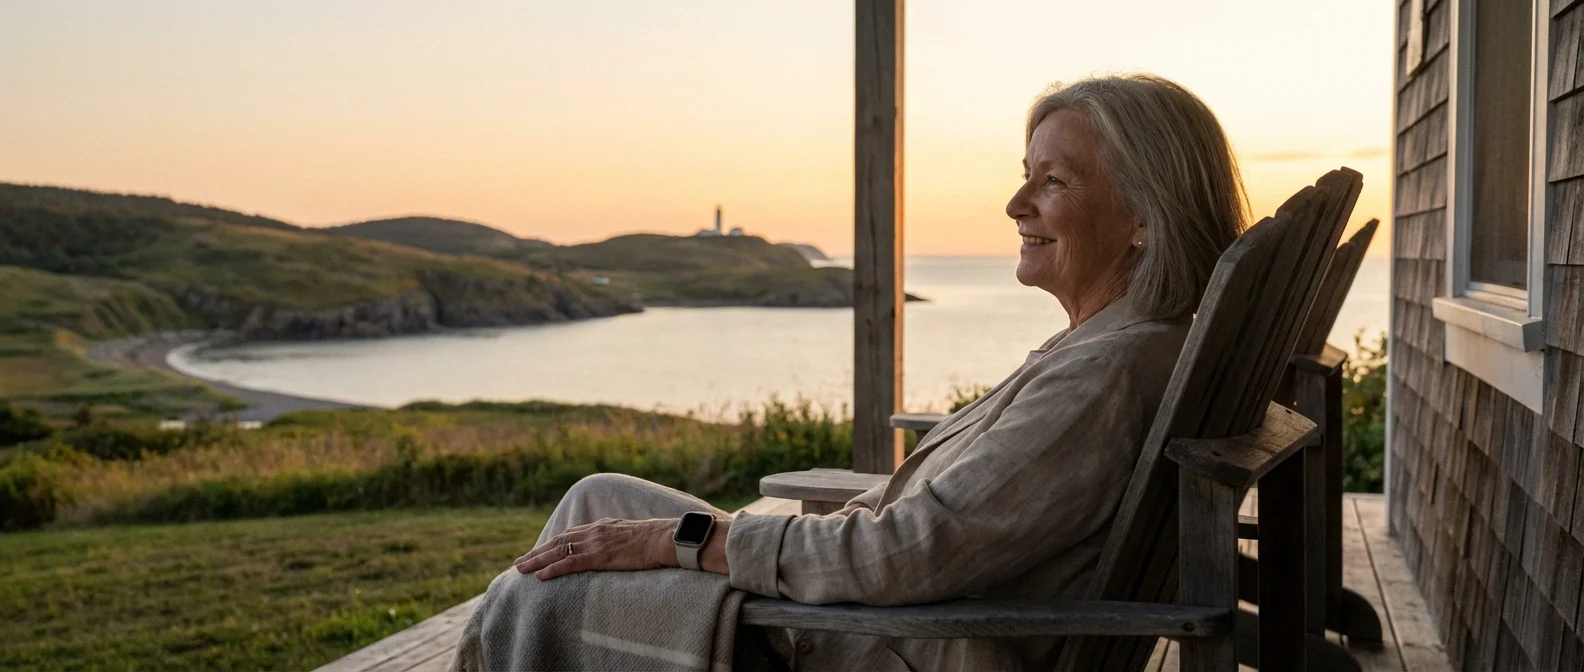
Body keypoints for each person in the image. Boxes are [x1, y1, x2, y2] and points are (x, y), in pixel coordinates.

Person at [457, 73, 1247, 671]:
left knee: (531, 597)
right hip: (889, 601)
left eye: (1053, 182)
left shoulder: (1102, 377)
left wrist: (693, 538)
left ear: (1144, 216)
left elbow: (906, 554)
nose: (1015, 203)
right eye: (1025, 174)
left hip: (892, 642)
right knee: (593, 499)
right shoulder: (1114, 342)